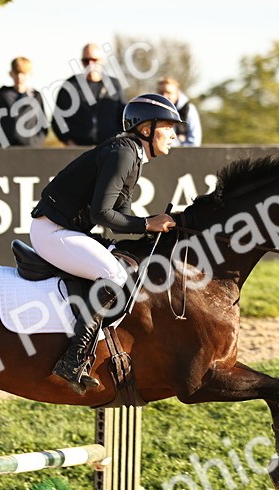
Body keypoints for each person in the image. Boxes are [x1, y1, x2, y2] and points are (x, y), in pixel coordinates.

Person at [30, 93, 181, 392]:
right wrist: (147, 223)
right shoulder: (123, 153)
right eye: (168, 126)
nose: (175, 134)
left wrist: (150, 225)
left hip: (70, 231)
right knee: (113, 274)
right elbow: (103, 213)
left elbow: (120, 212)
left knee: (124, 262)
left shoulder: (132, 155)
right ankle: (73, 359)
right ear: (146, 129)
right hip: (53, 232)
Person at [51, 43, 126, 147]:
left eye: (94, 60)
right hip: (78, 150)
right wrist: (68, 141)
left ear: (101, 61)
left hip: (109, 149)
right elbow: (57, 120)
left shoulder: (114, 84)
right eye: (86, 61)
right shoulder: (70, 86)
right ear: (82, 62)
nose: (90, 64)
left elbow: (124, 116)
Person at [0, 56, 49, 147]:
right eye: (17, 73)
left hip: (31, 150)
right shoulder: (2, 95)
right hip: (6, 149)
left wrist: (36, 143)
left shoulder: (36, 96)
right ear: (11, 74)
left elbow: (43, 124)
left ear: (30, 74)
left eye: (23, 73)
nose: (19, 77)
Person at [156, 76, 201, 146]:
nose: (164, 96)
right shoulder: (153, 110)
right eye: (161, 92)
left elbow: (194, 142)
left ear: (177, 93)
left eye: (168, 92)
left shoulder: (188, 109)